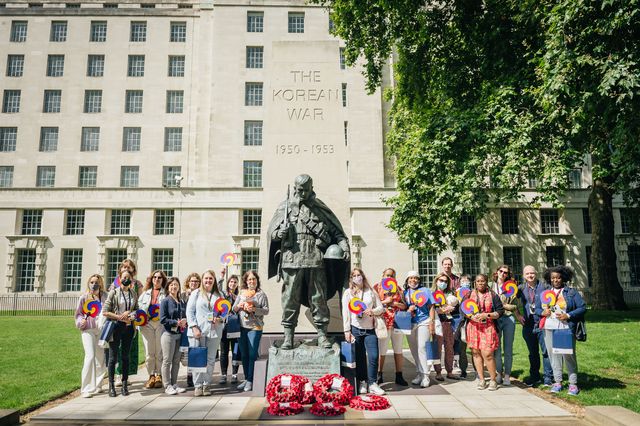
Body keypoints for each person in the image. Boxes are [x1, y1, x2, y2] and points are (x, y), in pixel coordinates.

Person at [267, 174, 350, 349]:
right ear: (295, 189)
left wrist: (345, 247)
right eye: (299, 190)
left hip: (315, 259)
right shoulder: (285, 207)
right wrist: (278, 233)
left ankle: (322, 335)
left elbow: (338, 234)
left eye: (306, 190)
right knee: (290, 299)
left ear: (311, 188)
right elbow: (272, 232)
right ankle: (288, 336)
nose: (302, 193)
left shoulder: (320, 208)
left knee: (318, 298)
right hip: (292, 260)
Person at [537, 265, 586, 396]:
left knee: (568, 356)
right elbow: (536, 309)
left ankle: (573, 384)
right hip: (549, 327)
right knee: (554, 356)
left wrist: (568, 315)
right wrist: (543, 312)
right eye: (553, 278)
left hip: (565, 328)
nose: (556, 280)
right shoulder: (545, 294)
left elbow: (582, 308)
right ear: (549, 279)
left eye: (558, 278)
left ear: (563, 278)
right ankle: (557, 382)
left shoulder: (571, 292)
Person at [342, 268, 386, 396]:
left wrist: (372, 311)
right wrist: (347, 331)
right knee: (360, 357)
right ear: (351, 279)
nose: (357, 277)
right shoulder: (348, 293)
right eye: (354, 276)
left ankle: (373, 383)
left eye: (359, 275)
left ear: (363, 276)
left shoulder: (371, 291)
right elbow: (346, 313)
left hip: (370, 329)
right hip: (355, 329)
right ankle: (363, 382)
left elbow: (380, 308)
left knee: (373, 356)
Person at [187, 270, 225, 397]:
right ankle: (197, 385)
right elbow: (190, 312)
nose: (208, 281)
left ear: (214, 280)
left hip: (214, 331)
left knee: (210, 359)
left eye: (211, 278)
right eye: (206, 278)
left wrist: (220, 319)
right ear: (202, 280)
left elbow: (225, 313)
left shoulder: (219, 295)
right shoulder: (196, 293)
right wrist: (194, 327)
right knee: (198, 359)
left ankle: (206, 384)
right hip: (198, 331)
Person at [103, 269, 139, 397]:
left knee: (125, 357)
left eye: (128, 277)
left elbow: (137, 310)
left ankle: (124, 384)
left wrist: (130, 314)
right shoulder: (113, 293)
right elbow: (105, 311)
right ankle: (111, 385)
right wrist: (119, 317)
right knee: (113, 357)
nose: (126, 279)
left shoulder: (133, 293)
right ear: (119, 278)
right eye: (124, 277)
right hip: (116, 326)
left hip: (129, 328)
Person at [465, 273, 504, 391]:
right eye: (478, 281)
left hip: (488, 327)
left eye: (482, 281)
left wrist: (487, 315)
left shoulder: (492, 295)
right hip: (473, 327)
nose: (480, 283)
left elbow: (500, 311)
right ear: (474, 283)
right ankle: (481, 379)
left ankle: (493, 380)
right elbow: (463, 309)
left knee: (487, 354)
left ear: (486, 282)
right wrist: (471, 317)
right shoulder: (468, 295)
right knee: (476, 353)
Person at [233, 270, 269, 392]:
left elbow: (266, 310)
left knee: (252, 354)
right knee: (244, 354)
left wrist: (254, 309)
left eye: (253, 279)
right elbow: (234, 308)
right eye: (249, 279)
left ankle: (251, 380)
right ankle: (247, 378)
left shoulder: (261, 294)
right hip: (242, 327)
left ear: (257, 281)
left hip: (255, 327)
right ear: (246, 281)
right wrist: (240, 306)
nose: (251, 281)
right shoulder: (241, 293)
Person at [518, 265, 553, 387]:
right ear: (524, 276)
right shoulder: (521, 288)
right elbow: (509, 301)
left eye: (532, 273)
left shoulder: (545, 287)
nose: (530, 275)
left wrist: (549, 310)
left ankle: (548, 378)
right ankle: (535, 377)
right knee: (533, 353)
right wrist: (518, 315)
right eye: (527, 274)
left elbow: (554, 300)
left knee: (546, 352)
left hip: (543, 324)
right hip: (528, 325)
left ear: (536, 273)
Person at [373, 268, 408, 386]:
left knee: (398, 349)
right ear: (383, 275)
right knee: (382, 350)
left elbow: (405, 306)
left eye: (392, 275)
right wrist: (384, 301)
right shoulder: (377, 288)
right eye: (387, 275)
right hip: (383, 322)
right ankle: (379, 375)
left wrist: (396, 304)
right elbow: (371, 305)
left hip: (397, 322)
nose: (389, 277)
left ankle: (399, 375)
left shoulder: (398, 289)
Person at [403, 270, 438, 388]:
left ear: (419, 280)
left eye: (416, 278)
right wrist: (409, 309)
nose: (413, 280)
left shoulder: (425, 291)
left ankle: (425, 375)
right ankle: (419, 373)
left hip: (424, 321)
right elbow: (403, 307)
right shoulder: (405, 293)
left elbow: (432, 307)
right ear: (407, 281)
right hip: (410, 324)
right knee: (413, 350)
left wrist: (432, 322)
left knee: (422, 348)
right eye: (411, 278)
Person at [75, 274, 107, 398]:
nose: (94, 284)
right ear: (89, 283)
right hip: (88, 329)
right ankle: (86, 388)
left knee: (100, 358)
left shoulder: (105, 296)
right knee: (90, 356)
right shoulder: (84, 298)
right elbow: (78, 314)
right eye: (92, 282)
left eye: (97, 282)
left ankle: (98, 385)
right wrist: (80, 321)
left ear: (101, 284)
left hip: (101, 330)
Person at [492, 265, 524, 386]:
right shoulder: (491, 285)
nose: (503, 274)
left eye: (506, 273)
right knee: (497, 348)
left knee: (508, 348)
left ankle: (507, 375)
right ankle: (499, 372)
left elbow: (515, 304)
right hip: (495, 318)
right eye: (501, 271)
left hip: (508, 319)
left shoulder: (511, 287)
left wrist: (518, 316)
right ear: (497, 272)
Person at [112, 259, 143, 385]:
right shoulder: (115, 283)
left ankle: (126, 375)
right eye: (124, 267)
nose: (127, 269)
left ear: (133, 270)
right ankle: (118, 374)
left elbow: (139, 302)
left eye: (129, 267)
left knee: (129, 348)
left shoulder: (138, 284)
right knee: (118, 348)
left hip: (131, 321)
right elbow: (111, 299)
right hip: (119, 319)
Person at [139, 270, 167, 389]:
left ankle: (159, 375)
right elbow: (138, 308)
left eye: (159, 277)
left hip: (160, 324)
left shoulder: (166, 293)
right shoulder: (145, 294)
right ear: (151, 279)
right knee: (149, 352)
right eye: (154, 277)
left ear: (163, 279)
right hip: (147, 324)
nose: (157, 279)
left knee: (159, 351)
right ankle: (151, 375)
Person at [160, 277, 187, 395]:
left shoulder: (181, 301)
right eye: (171, 285)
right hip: (168, 335)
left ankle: (174, 383)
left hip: (179, 335)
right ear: (168, 287)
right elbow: (162, 319)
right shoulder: (165, 301)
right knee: (167, 360)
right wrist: (176, 323)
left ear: (179, 287)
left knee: (176, 360)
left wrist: (184, 321)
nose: (174, 287)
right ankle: (167, 385)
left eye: (176, 285)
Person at [431, 272, 459, 380]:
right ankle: (438, 372)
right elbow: (431, 308)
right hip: (437, 323)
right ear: (436, 281)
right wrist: (440, 310)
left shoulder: (450, 294)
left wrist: (451, 308)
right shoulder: (432, 293)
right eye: (441, 280)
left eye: (446, 281)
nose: (443, 283)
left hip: (448, 322)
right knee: (437, 348)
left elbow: (457, 308)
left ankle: (450, 371)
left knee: (449, 347)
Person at [219, 274, 241, 385]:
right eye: (231, 281)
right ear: (228, 283)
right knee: (224, 352)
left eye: (235, 282)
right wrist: (221, 277)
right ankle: (223, 374)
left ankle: (234, 374)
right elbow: (217, 289)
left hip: (236, 327)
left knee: (236, 351)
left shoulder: (239, 295)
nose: (233, 284)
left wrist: (237, 300)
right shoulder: (223, 294)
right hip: (224, 327)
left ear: (237, 284)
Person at [181, 272, 201, 388]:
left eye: (196, 281)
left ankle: (191, 377)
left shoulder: (200, 295)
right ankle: (189, 374)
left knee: (194, 352)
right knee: (186, 354)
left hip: (196, 327)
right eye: (192, 281)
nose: (193, 283)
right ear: (188, 282)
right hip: (185, 328)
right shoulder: (183, 295)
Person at [453, 274, 472, 378]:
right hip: (461, 324)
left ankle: (478, 372)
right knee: (461, 349)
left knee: (475, 349)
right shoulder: (456, 294)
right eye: (463, 280)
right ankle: (463, 370)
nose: (465, 282)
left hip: (473, 323)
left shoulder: (474, 293)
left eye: (467, 280)